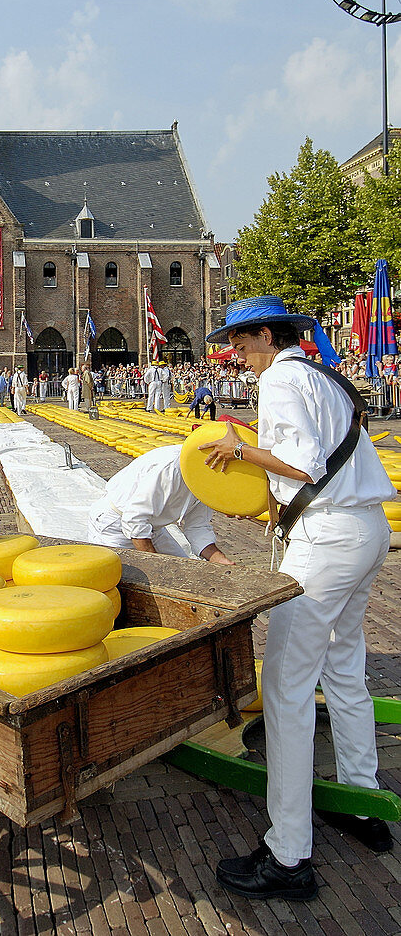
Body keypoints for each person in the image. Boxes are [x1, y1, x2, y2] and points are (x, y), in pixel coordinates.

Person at [202, 296, 395, 902]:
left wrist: (239, 450)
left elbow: (303, 464)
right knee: (345, 666)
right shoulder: (322, 375)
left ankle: (289, 855)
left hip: (327, 539)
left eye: (239, 341)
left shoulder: (282, 377)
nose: (234, 354)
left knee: (285, 689)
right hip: (367, 531)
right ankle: (360, 803)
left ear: (266, 335)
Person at [87, 444, 233, 563]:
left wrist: (221, 561)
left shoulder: (211, 478)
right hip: (114, 525)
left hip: (151, 527)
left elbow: (197, 527)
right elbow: (134, 520)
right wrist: (156, 565)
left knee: (181, 571)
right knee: (119, 582)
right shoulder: (172, 468)